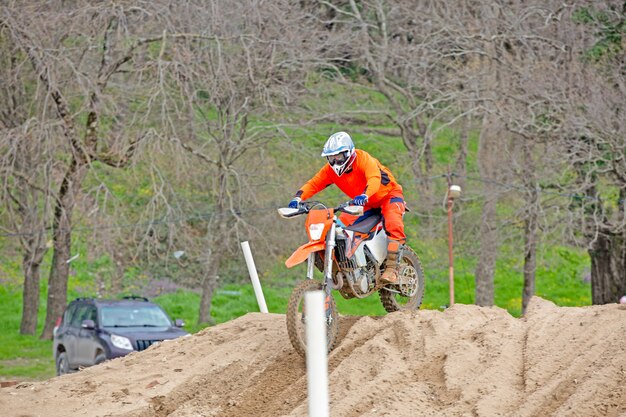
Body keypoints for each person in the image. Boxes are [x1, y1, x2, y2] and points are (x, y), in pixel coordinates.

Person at [288, 131, 407, 284]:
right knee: (338, 225)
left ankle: (392, 269)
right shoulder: (330, 171)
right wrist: (298, 198)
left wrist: (365, 195)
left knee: (393, 222)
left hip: (388, 195)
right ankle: (347, 265)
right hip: (364, 203)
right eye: (331, 158)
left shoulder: (363, 159)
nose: (335, 161)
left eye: (339, 156)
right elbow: (314, 183)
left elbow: (374, 178)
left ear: (349, 153)